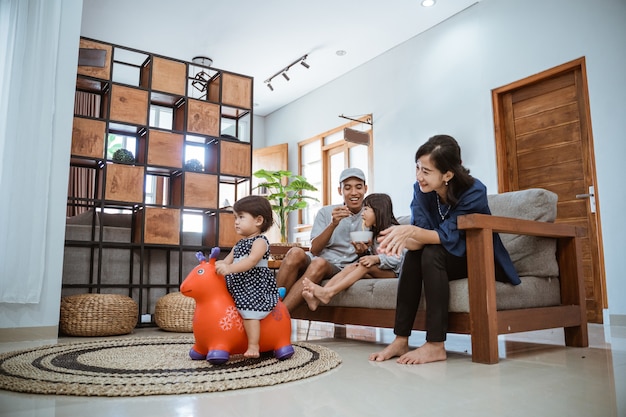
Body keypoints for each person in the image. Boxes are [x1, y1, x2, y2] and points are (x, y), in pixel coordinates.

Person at [369, 134, 521, 365]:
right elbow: (420, 238)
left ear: (448, 174)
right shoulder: (421, 191)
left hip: (476, 258)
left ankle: (436, 344)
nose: (419, 176)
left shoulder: (474, 191)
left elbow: (446, 236)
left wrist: (410, 232)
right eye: (417, 168)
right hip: (443, 258)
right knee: (414, 255)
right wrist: (397, 238)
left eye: (426, 171)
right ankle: (401, 339)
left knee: (432, 252)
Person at [275, 167, 369, 312]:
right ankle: (269, 306)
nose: (354, 193)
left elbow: (373, 256)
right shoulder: (326, 212)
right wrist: (333, 224)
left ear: (365, 189)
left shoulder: (371, 214)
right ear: (340, 191)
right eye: (348, 188)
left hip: (340, 268)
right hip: (316, 259)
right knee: (295, 252)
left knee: (319, 263)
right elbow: (315, 249)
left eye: (358, 187)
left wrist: (363, 252)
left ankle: (278, 317)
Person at [301, 193, 403, 311]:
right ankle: (318, 298)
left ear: (378, 211)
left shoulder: (393, 232)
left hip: (395, 272)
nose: (362, 214)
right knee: (351, 267)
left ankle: (329, 292)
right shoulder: (375, 234)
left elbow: (397, 259)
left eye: (366, 209)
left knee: (364, 266)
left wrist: (376, 259)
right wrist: (367, 252)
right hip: (383, 269)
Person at [215, 195, 278, 358]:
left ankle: (253, 345)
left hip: (254, 286)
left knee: (248, 309)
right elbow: (227, 260)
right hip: (237, 284)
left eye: (241, 217)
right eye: (235, 217)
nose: (236, 221)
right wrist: (217, 265)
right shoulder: (239, 244)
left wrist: (229, 269)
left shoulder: (260, 242)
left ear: (258, 220)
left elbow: (251, 261)